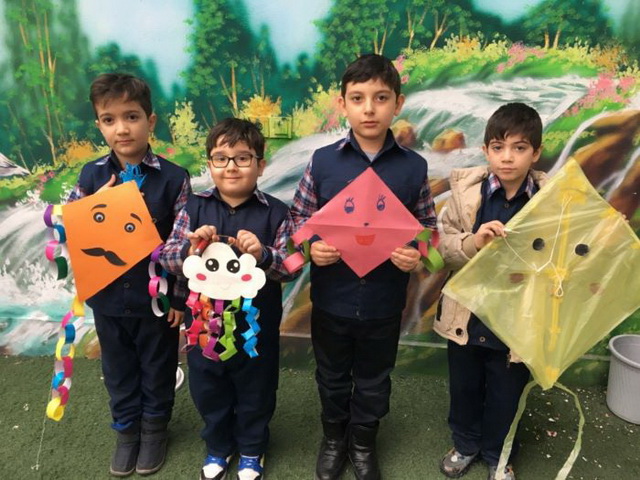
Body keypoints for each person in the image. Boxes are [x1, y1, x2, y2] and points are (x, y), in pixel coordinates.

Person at [288, 53, 437, 480]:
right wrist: (313, 248)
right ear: (343, 104)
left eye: (381, 98)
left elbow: (429, 233)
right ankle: (335, 438)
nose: (369, 108)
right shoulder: (322, 161)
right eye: (358, 98)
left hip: (384, 302)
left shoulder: (414, 167)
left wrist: (417, 255)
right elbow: (297, 222)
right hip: (331, 299)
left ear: (398, 104)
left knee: (374, 378)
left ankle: (363, 442)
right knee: (332, 375)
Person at [159, 118, 298, 480]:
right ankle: (218, 446)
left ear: (260, 165)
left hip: (256, 330)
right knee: (208, 388)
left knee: (257, 390)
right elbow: (166, 256)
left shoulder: (277, 213)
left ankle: (252, 448)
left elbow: (291, 267)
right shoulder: (193, 209)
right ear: (210, 164)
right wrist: (191, 249)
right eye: (221, 158)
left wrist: (264, 254)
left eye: (242, 158)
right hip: (203, 329)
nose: (231, 167)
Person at [67, 73, 191, 477]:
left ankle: (154, 429)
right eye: (109, 119)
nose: (122, 128)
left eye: (131, 117)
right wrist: (94, 208)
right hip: (107, 299)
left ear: (150, 121)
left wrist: (178, 298)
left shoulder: (175, 178)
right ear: (99, 125)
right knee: (118, 369)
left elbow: (182, 242)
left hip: (156, 301)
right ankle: (126, 430)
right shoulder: (90, 177)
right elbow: (70, 232)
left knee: (158, 366)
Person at [434, 102, 549, 480]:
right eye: (498, 147)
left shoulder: (550, 202)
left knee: (506, 394)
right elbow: (442, 246)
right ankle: (465, 444)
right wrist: (474, 242)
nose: (508, 157)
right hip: (467, 316)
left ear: (536, 152)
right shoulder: (466, 194)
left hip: (516, 322)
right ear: (486, 150)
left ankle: (499, 454)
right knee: (464, 388)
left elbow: (563, 255)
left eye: (519, 148)